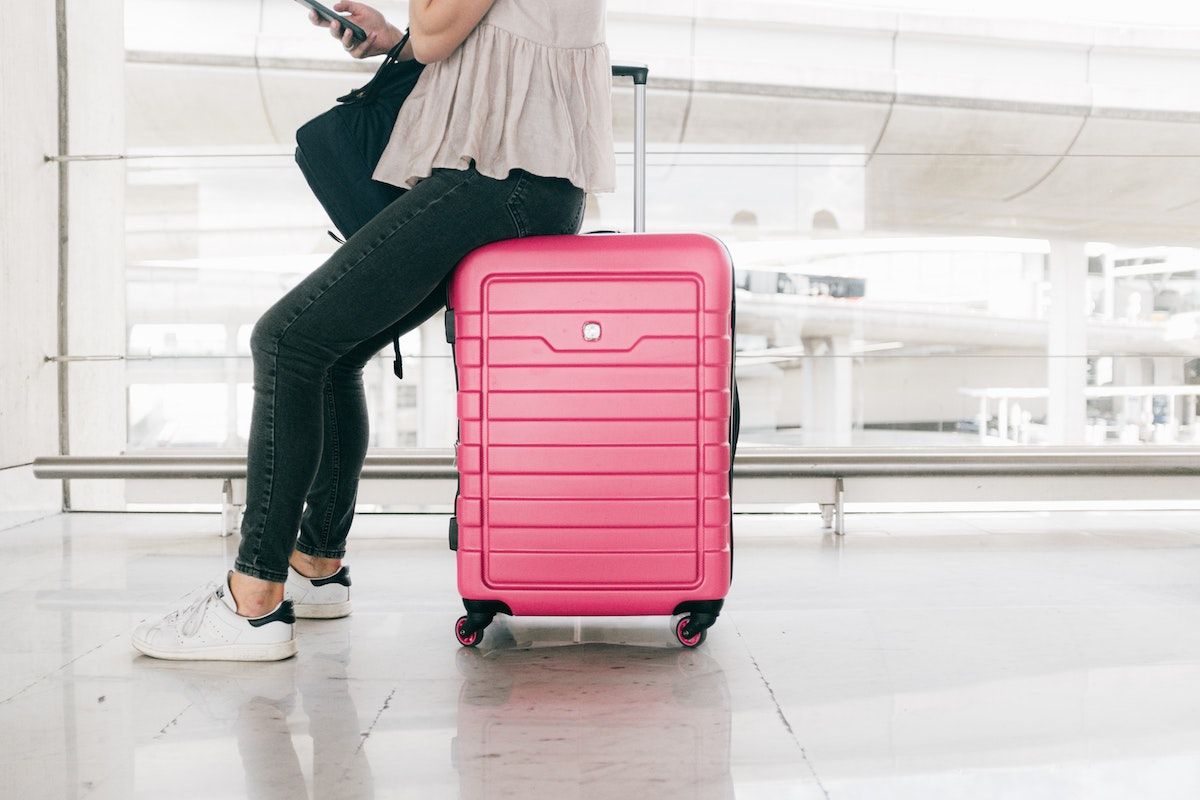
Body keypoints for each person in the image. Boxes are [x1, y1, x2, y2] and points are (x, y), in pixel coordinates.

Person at [132, 0, 615, 661]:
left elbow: (442, 31)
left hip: (496, 180)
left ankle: (252, 602)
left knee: (287, 340)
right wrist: (393, 39)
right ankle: (314, 565)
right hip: (520, 180)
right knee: (332, 353)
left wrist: (420, 31)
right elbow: (461, 31)